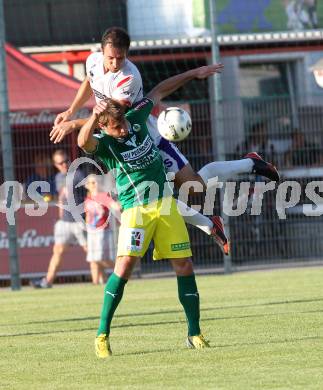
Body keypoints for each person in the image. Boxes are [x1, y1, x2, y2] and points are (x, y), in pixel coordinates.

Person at [50, 27, 279, 250]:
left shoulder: (128, 77)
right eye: (111, 58)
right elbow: (89, 83)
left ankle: (249, 165)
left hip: (145, 138)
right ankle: (211, 223)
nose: (115, 63)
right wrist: (71, 111)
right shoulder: (92, 62)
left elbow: (114, 119)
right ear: (101, 52)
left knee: (192, 187)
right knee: (155, 197)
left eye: (120, 58)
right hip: (119, 143)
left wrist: (74, 124)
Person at [77, 66, 222, 357]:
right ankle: (102, 335)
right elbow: (83, 141)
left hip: (166, 205)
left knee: (184, 267)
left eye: (124, 124)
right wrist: (93, 114)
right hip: (136, 212)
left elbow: (160, 90)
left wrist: (195, 73)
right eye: (117, 127)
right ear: (104, 128)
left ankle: (194, 333)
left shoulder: (135, 119)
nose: (124, 129)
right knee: (124, 269)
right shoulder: (105, 145)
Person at [32, 149, 87, 288]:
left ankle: (108, 278)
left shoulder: (78, 174)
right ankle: (48, 281)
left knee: (92, 253)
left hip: (79, 220)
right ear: (55, 165)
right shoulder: (58, 177)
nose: (64, 164)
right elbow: (62, 199)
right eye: (60, 163)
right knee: (58, 251)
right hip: (65, 222)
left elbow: (91, 191)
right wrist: (60, 216)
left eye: (66, 161)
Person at [84, 174, 120, 284]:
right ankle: (96, 283)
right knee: (92, 259)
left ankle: (120, 273)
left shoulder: (103, 196)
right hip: (91, 230)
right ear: (87, 185)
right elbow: (87, 215)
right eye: (91, 183)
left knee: (99, 258)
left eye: (95, 182)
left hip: (102, 230)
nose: (94, 185)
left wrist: (117, 203)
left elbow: (115, 206)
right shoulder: (88, 197)